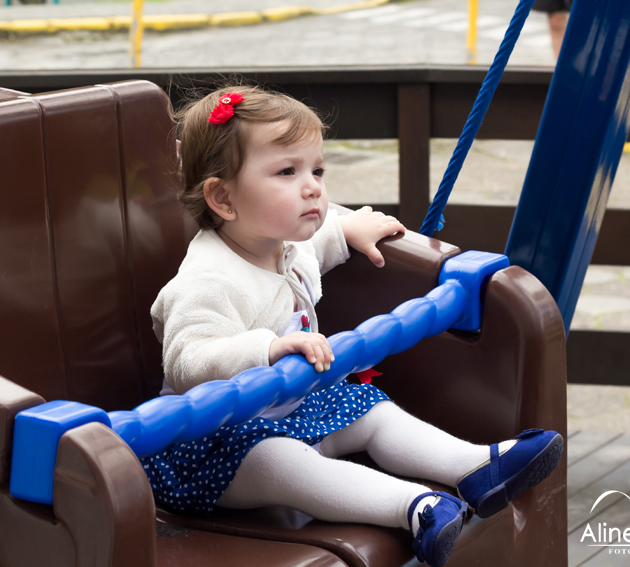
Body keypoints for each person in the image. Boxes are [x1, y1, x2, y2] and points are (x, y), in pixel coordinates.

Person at [140, 85, 563, 567]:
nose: (313, 186)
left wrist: (347, 229)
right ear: (223, 199)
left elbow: (319, 242)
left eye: (316, 169)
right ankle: (413, 509)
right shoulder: (207, 280)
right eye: (287, 172)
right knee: (281, 461)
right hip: (210, 446)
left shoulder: (281, 242)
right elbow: (188, 358)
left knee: (371, 410)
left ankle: (474, 465)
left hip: (290, 407)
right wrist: (268, 349)